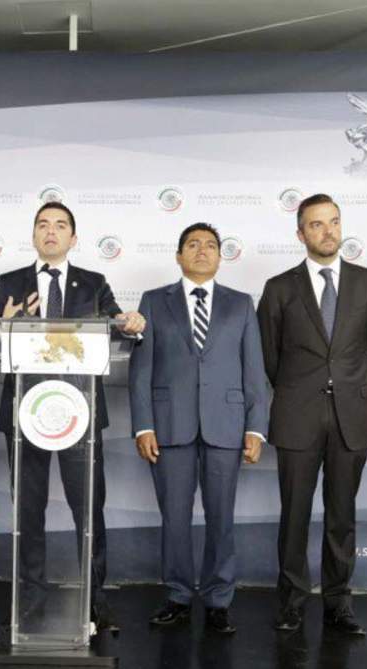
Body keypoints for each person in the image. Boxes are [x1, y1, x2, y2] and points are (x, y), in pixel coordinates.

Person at [0, 201, 145, 629]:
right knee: (28, 510)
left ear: (73, 238)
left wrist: (130, 323)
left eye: (60, 225)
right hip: (26, 412)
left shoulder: (93, 283)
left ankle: (95, 598)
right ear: (33, 235)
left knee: (88, 509)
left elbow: (117, 325)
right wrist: (5, 326)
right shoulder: (10, 283)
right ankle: (31, 596)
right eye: (43, 224)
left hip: (80, 412)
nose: (51, 231)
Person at [257, 193, 367, 635]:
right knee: (294, 514)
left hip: (352, 416)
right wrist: (302, 389)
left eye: (333, 221)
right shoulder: (279, 288)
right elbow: (269, 356)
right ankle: (291, 602)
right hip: (297, 415)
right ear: (300, 234)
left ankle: (338, 603)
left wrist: (347, 383)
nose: (328, 231)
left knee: (342, 515)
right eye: (316, 224)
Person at [129, 223, 269, 633]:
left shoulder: (241, 304)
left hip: (227, 426)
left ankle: (218, 600)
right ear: (179, 256)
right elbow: (141, 370)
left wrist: (255, 428)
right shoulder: (154, 301)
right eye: (192, 245)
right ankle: (176, 595)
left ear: (221, 256)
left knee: (221, 517)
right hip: (170, 425)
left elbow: (254, 370)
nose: (202, 251)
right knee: (174, 518)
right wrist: (143, 426)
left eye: (210, 245)